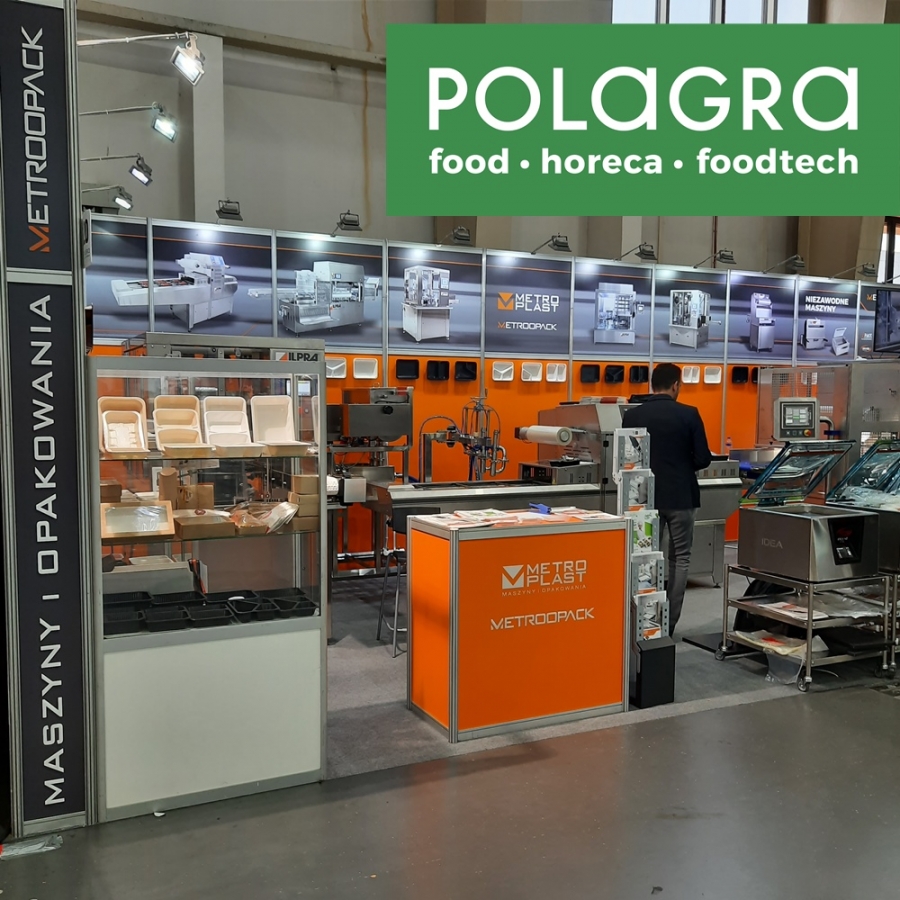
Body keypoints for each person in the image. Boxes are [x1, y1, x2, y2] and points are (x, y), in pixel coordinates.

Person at [621, 363, 712, 635]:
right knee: (680, 558)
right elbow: (703, 458)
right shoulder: (689, 414)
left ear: (652, 384)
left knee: (646, 558)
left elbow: (629, 459)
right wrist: (681, 468)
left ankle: (646, 623)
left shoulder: (632, 416)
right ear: (676, 385)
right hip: (682, 496)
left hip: (645, 498)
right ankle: (669, 624)